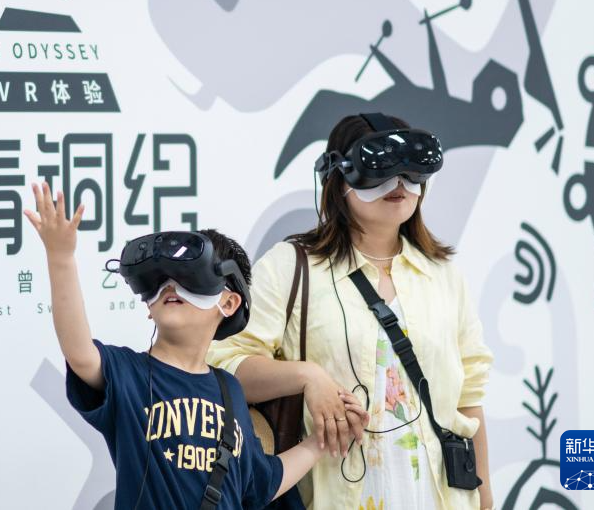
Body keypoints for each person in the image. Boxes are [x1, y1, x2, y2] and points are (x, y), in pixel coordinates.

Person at [207, 114, 494, 510]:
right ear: (337, 179)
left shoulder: (443, 276)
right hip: (333, 496)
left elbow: (469, 398)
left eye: (411, 170)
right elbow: (223, 367)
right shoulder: (291, 266)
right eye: (380, 168)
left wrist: (485, 499)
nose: (399, 183)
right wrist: (307, 376)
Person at [24, 181, 367, 509]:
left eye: (189, 278)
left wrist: (321, 441)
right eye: (158, 281)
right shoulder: (127, 373)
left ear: (228, 303)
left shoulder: (230, 390)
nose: (170, 287)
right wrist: (61, 257)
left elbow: (261, 483)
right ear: (148, 307)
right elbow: (79, 352)